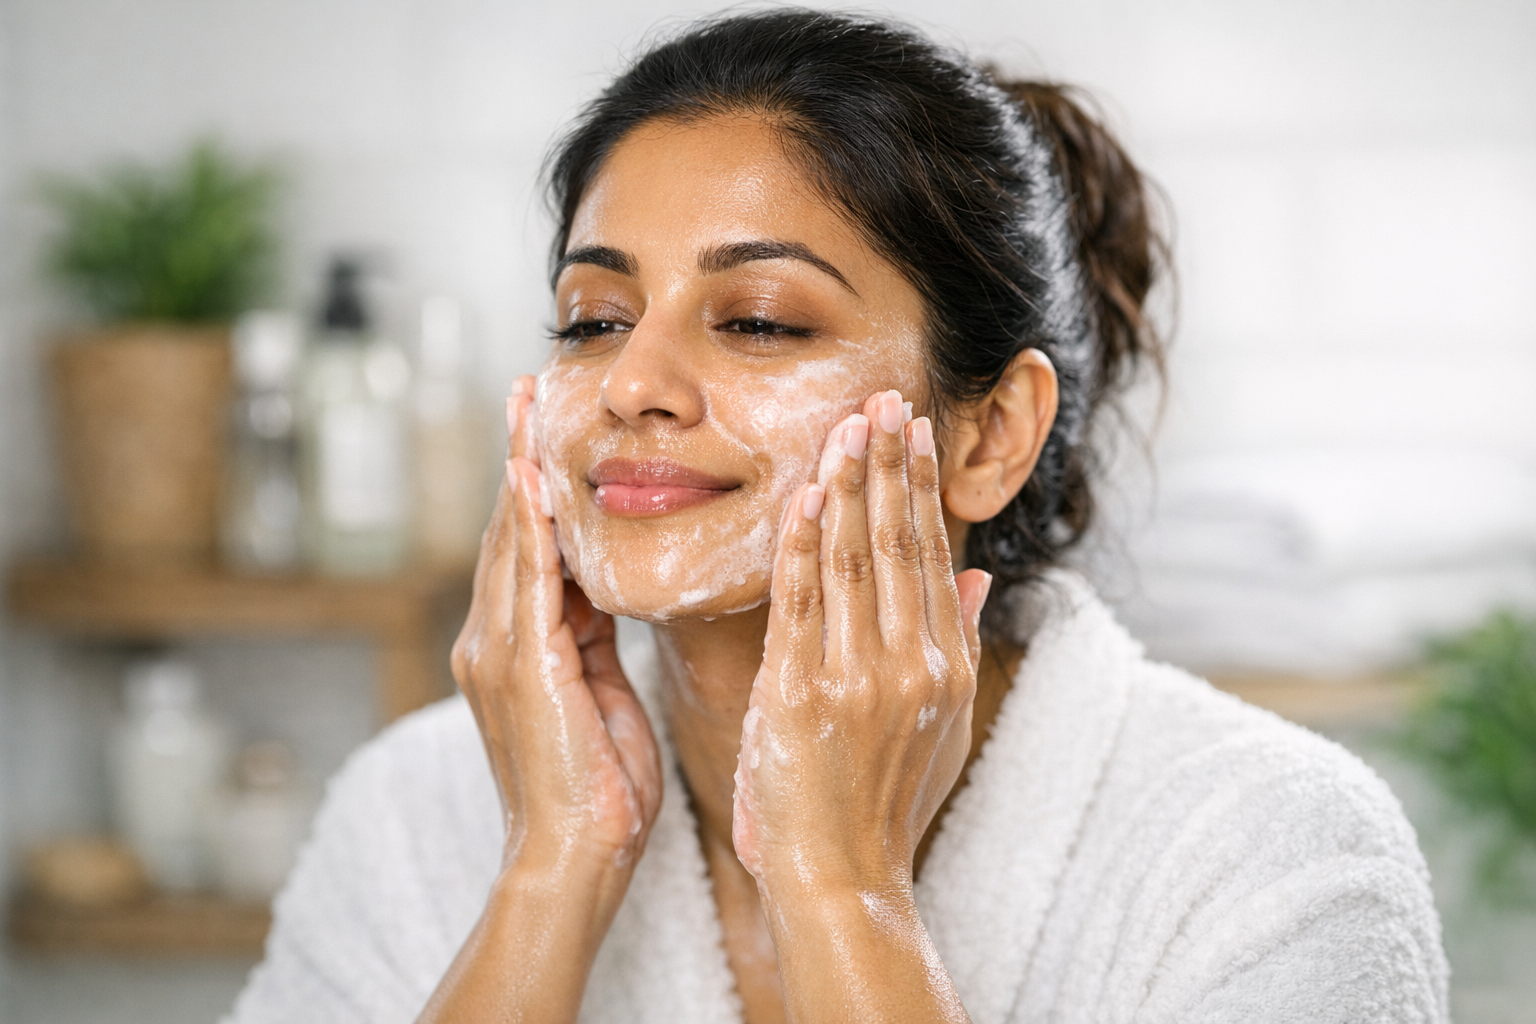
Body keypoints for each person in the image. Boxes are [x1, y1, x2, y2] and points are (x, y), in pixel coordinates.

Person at [226, 10, 1448, 1023]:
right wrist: (552, 868)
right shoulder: (412, 813)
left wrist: (840, 891)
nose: (632, 382)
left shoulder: (1267, 855)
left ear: (987, 435)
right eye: (595, 319)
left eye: (758, 318)